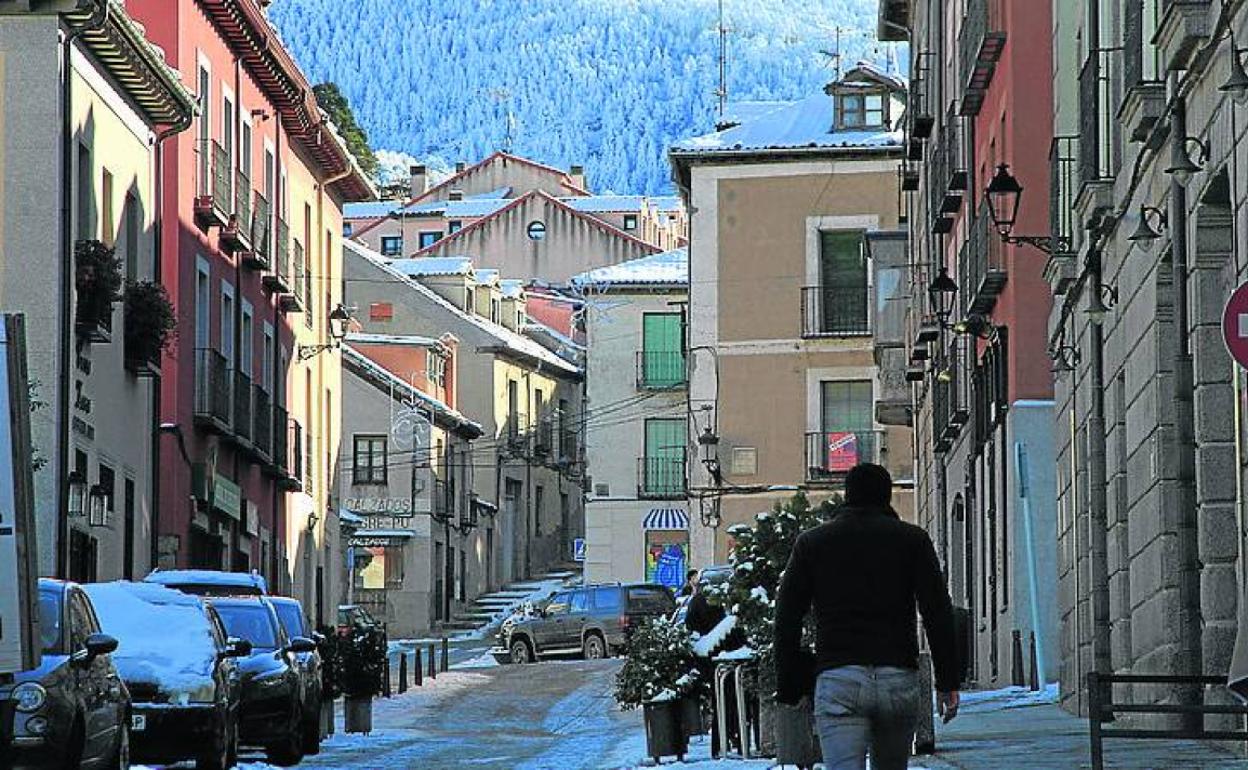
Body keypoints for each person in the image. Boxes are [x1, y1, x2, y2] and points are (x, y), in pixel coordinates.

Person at [774, 463, 959, 770]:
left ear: (847, 496)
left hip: (839, 677)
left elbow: (787, 617)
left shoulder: (813, 543)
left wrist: (790, 685)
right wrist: (947, 681)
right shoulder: (912, 540)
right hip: (897, 676)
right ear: (887, 497)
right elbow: (937, 611)